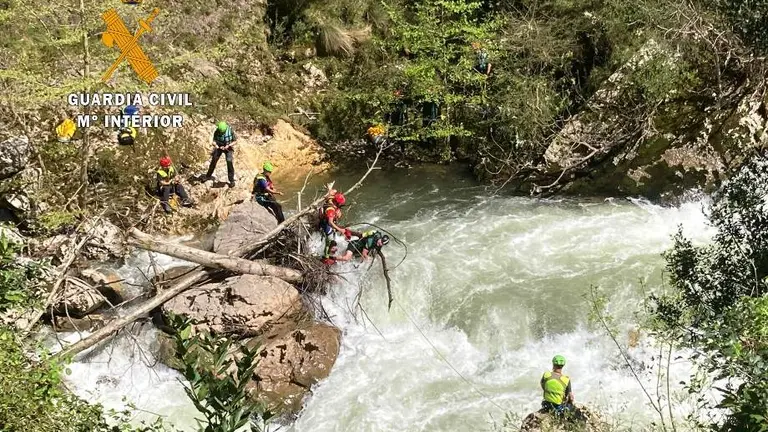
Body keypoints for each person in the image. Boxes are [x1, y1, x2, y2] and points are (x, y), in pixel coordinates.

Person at [205, 121, 237, 188]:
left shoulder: (230, 131)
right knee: (214, 160)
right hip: (219, 146)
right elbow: (214, 141)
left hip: (228, 147)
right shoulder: (217, 131)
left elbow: (235, 141)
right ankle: (208, 176)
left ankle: (231, 180)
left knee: (229, 161)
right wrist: (216, 145)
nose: (221, 133)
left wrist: (228, 146)